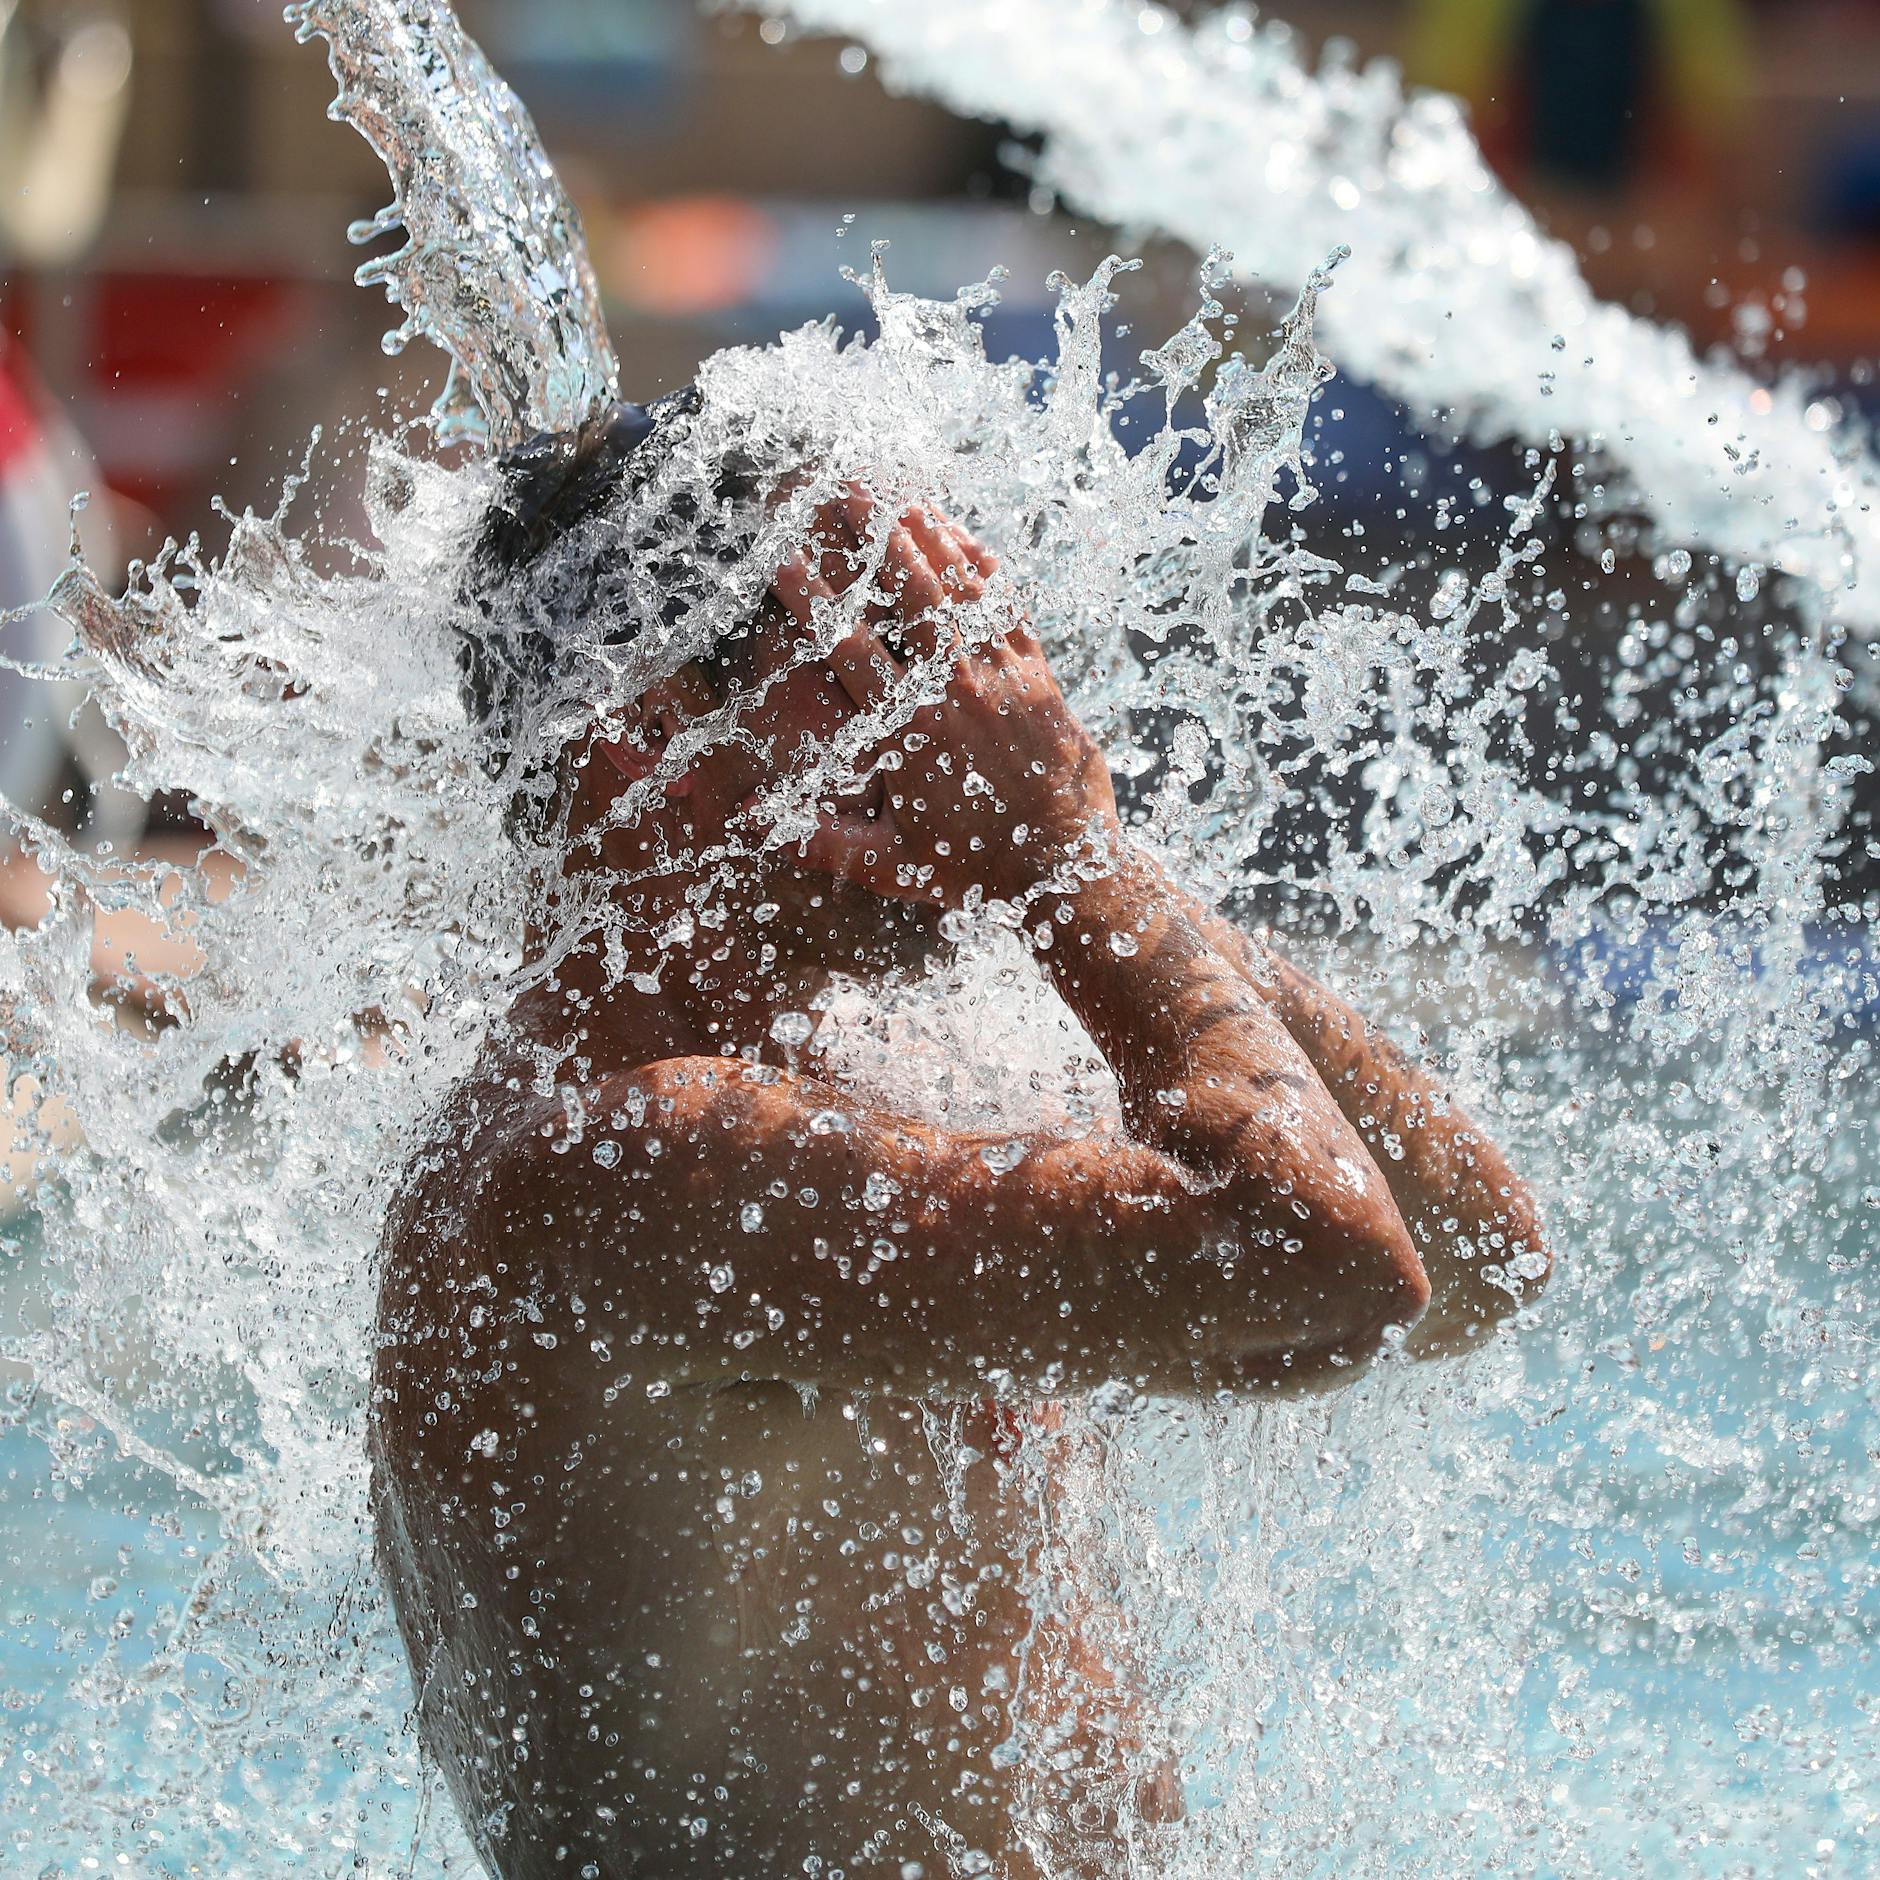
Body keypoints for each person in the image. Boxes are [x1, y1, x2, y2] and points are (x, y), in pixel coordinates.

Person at [371, 398, 1551, 1879]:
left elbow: (1478, 1258)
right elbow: (1326, 1261)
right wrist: (1068, 858)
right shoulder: (605, 1166)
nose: (973, 700)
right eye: (891, 660)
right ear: (655, 742)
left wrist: (1066, 847)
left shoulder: (882, 1059)